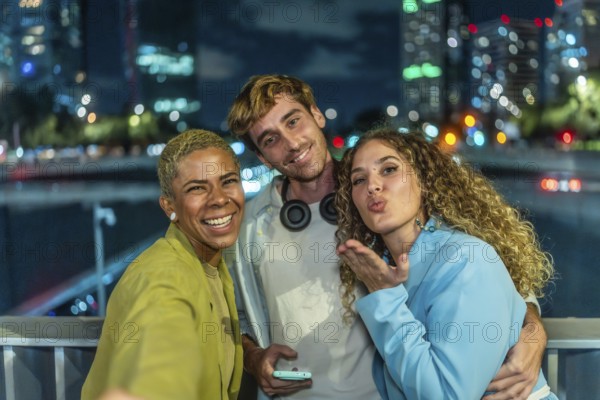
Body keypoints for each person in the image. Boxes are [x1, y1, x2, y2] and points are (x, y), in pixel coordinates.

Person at [225, 74, 549, 399]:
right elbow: (235, 315)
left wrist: (531, 328)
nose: (291, 143)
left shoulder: (381, 210)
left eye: (294, 121)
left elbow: (492, 275)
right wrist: (253, 359)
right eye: (270, 140)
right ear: (264, 158)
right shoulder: (250, 225)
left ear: (317, 115)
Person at [335, 128, 556, 399]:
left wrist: (384, 299)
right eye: (359, 180)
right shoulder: (380, 268)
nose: (372, 186)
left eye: (389, 169)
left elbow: (447, 394)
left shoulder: (465, 260)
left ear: (424, 180)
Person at [82, 129, 245, 400]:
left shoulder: (213, 263)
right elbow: (162, 340)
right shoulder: (162, 276)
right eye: (197, 188)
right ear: (169, 206)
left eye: (228, 181)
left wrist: (252, 355)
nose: (219, 198)